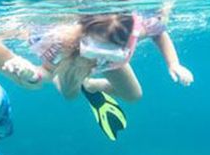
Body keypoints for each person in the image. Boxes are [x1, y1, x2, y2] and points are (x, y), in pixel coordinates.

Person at [29, 8, 194, 140]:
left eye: (111, 52)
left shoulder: (134, 30)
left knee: (133, 95)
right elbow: (47, 71)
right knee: (70, 94)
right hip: (75, 59)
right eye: (96, 52)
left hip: (110, 65)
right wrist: (32, 74)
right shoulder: (61, 41)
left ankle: (89, 86)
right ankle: (78, 81)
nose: (98, 59)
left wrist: (174, 64)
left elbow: (159, 33)